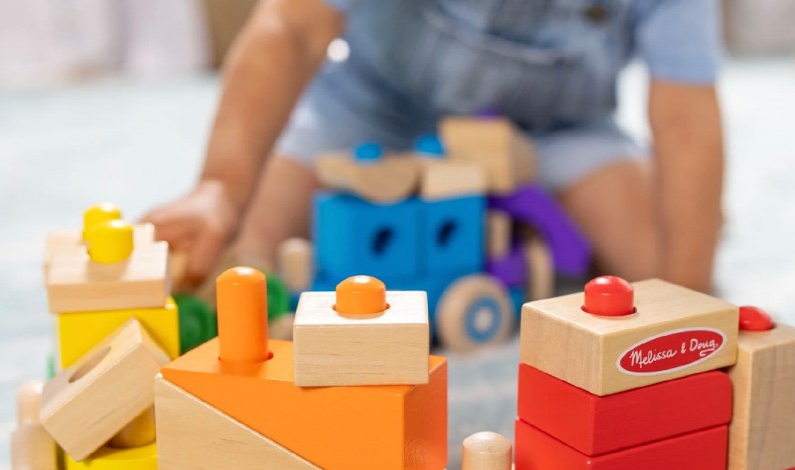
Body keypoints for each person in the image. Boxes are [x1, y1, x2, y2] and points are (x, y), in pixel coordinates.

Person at [147, 0, 724, 294]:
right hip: (375, 109)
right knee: (239, 253)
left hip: (558, 129)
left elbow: (685, 118)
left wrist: (690, 300)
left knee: (666, 267)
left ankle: (537, 232)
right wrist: (221, 183)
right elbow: (293, 29)